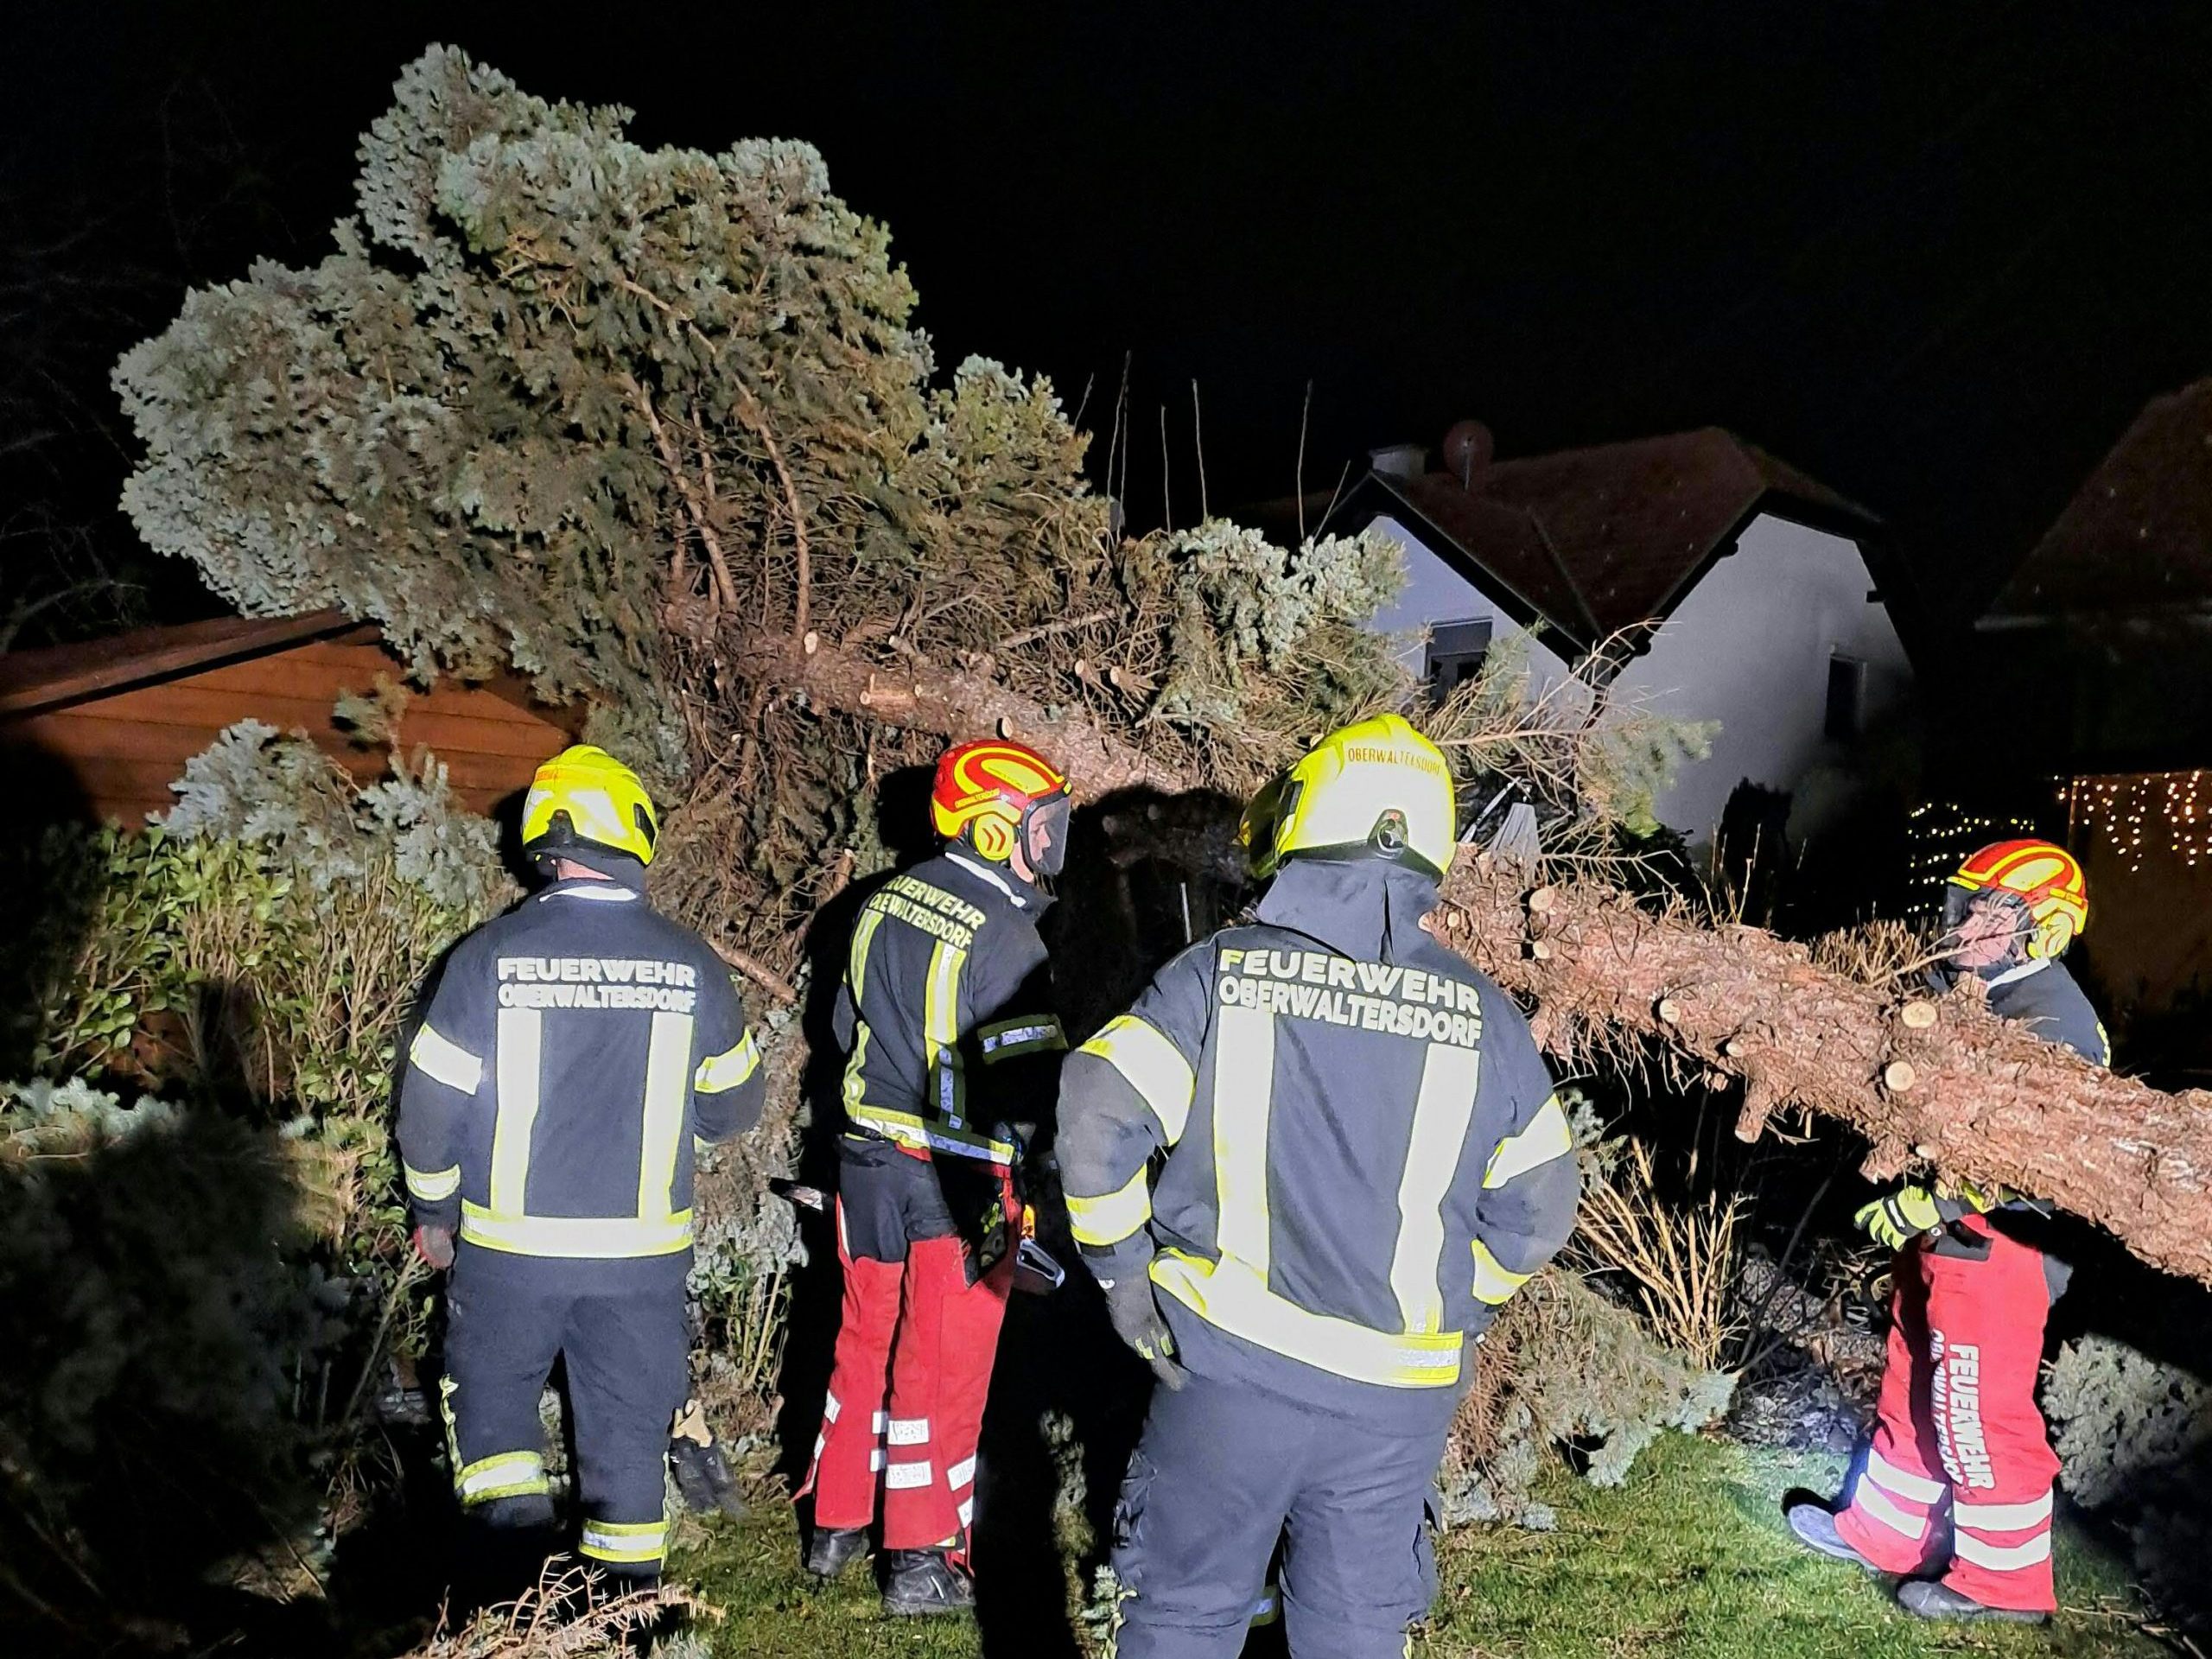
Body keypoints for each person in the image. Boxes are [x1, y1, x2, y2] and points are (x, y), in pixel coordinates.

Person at [1057, 713, 1579, 1658]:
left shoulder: (1218, 976)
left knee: (1182, 1616)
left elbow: (1097, 1108)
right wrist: (1463, 1308)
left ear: (1304, 823)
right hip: (1394, 1407)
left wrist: (1122, 1273)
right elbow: (1538, 1211)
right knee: (1355, 1630)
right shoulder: (1489, 1019)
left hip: (1228, 1376)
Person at [397, 744, 766, 1596]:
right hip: (640, 1268)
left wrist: (435, 1213)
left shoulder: (486, 957)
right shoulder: (693, 965)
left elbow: (428, 1110)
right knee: (628, 1452)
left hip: (505, 1262)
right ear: (632, 833)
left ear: (543, 840)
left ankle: (505, 1613)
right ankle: (625, 1621)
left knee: (492, 1434)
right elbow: (736, 1107)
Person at [1788, 839, 2105, 1624]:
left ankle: (2006, 1586)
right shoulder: (1970, 992)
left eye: (1991, 918)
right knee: (1912, 1386)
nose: (1965, 931)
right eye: (1967, 912)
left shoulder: (2053, 1023)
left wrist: (1934, 1206)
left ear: (2045, 930)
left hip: (2003, 1251)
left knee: (1975, 1406)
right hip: (1942, 1243)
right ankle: (1887, 1532)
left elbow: (2039, 1164)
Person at [798, 738, 1072, 1615]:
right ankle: (922, 1558)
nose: (1050, 848)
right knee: (943, 1365)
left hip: (864, 1162)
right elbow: (1030, 1087)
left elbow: (845, 1027)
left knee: (863, 1340)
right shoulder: (1010, 937)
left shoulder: (880, 902)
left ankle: (835, 1522)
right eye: (1043, 830)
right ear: (996, 832)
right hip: (959, 1181)